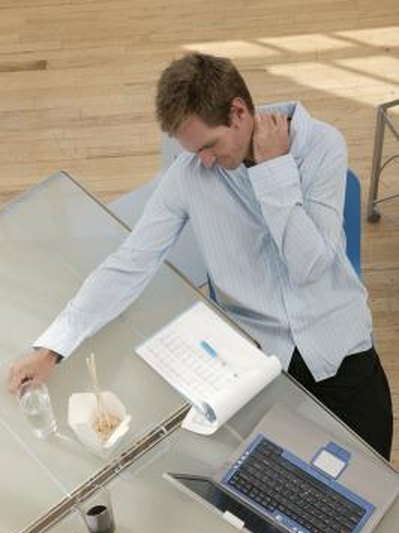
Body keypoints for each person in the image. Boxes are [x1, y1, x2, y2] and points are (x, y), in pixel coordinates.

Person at [8, 53, 393, 459]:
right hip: (256, 365)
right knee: (269, 497)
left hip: (338, 351)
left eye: (209, 145)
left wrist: (273, 169)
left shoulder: (320, 146)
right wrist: (53, 347)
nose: (204, 161)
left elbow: (309, 266)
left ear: (239, 111)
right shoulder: (189, 173)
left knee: (372, 485)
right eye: (194, 151)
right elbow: (130, 262)